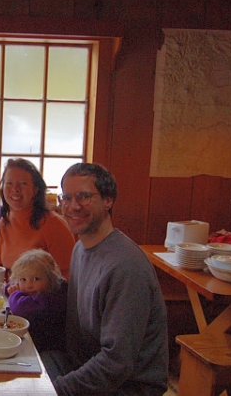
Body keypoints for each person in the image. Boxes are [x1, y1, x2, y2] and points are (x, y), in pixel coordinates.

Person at [41, 162, 168, 396]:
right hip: (83, 366)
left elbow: (117, 363)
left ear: (108, 200)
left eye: (84, 197)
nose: (72, 206)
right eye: (66, 198)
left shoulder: (125, 266)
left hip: (127, 387)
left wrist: (51, 391)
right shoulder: (81, 249)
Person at [0, 158, 75, 277]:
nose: (15, 189)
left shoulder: (53, 224)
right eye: (9, 183)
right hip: (10, 293)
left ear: (36, 190)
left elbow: (68, 276)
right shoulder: (4, 223)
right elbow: (1, 269)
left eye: (23, 183)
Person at [7, 249, 67, 352]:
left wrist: (14, 294)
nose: (29, 285)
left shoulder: (50, 298)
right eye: (23, 279)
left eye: (36, 279)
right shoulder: (39, 290)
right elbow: (12, 285)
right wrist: (14, 288)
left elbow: (20, 308)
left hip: (48, 349)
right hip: (34, 340)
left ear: (50, 278)